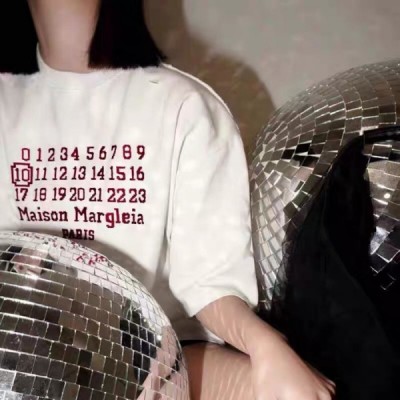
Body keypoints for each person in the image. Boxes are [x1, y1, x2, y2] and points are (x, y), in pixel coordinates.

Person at [0, 1, 335, 399]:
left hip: (160, 358)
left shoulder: (183, 105)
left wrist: (267, 347)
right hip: (25, 355)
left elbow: (208, 281)